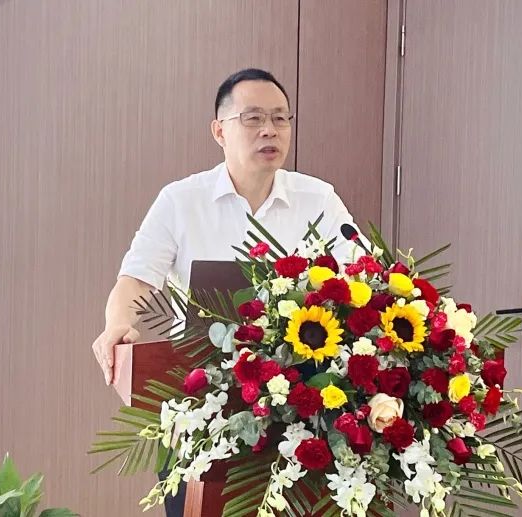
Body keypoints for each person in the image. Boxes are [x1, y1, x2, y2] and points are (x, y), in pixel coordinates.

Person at [90, 68, 365, 515]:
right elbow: (136, 279)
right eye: (253, 118)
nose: (270, 130)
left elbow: (365, 274)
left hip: (301, 413)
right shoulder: (181, 201)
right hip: (202, 408)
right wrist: (117, 325)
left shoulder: (319, 200)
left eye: (280, 118)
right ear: (219, 131)